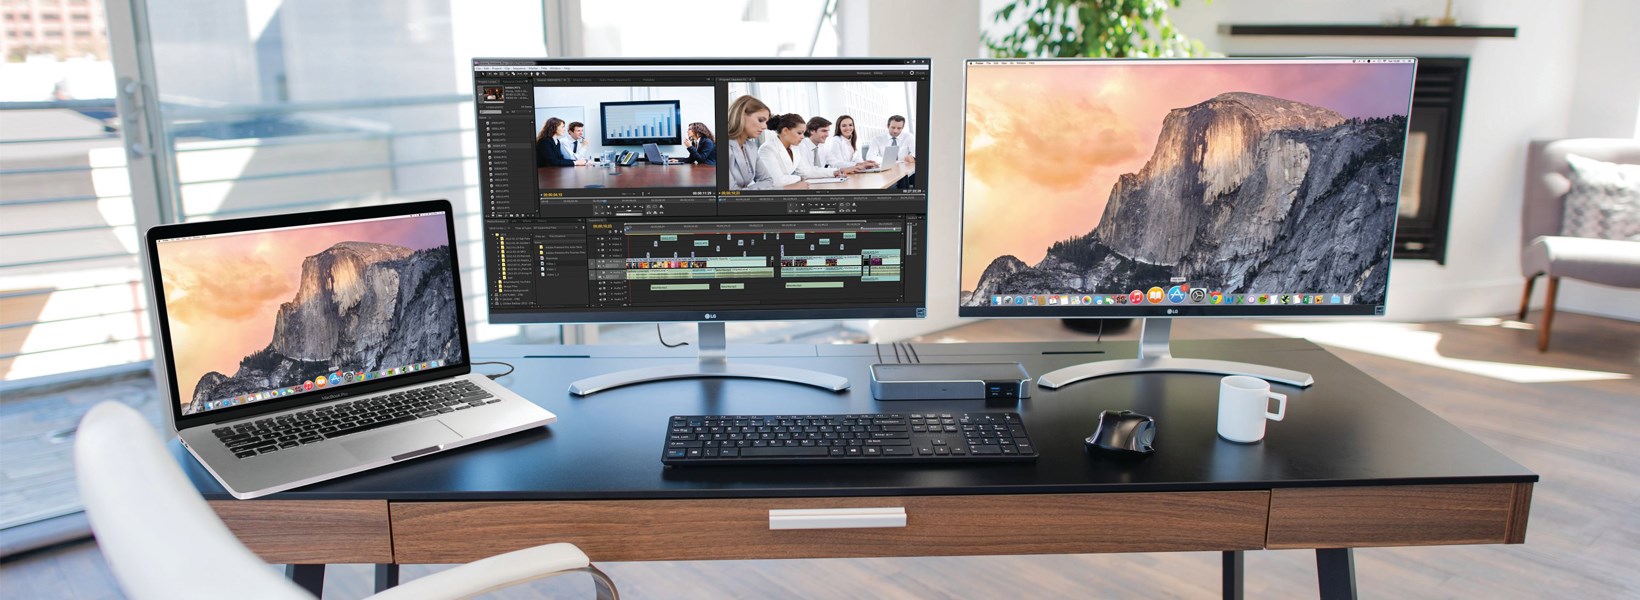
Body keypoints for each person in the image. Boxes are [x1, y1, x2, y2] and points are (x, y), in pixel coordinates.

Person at [726, 95, 773, 190]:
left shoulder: (751, 147)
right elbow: (730, 192)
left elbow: (767, 180)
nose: (765, 127)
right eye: (760, 120)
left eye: (766, 122)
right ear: (741, 116)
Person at [795, 116, 864, 178]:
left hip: (819, 182)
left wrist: (856, 165)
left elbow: (834, 162)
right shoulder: (801, 146)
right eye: (824, 131)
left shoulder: (821, 146)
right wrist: (836, 172)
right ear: (812, 131)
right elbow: (806, 172)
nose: (827, 135)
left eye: (828, 131)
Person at [755, 113, 808, 187]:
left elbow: (804, 172)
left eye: (803, 133)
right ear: (785, 131)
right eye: (799, 133)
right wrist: (799, 178)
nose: (802, 137)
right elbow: (776, 181)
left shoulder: (794, 148)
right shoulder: (767, 149)